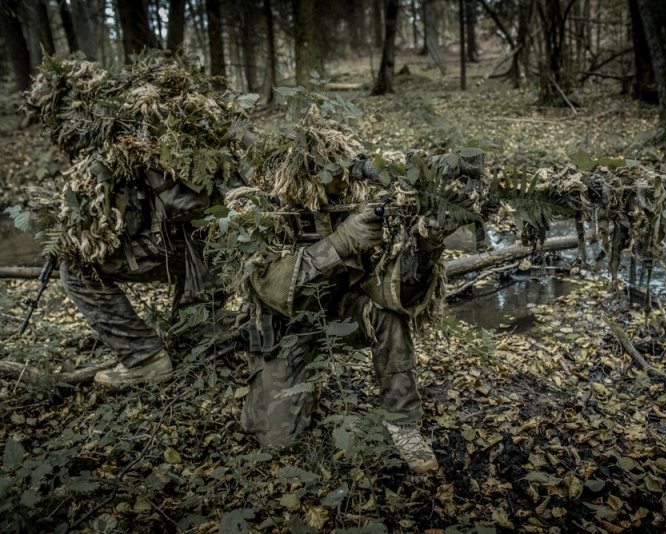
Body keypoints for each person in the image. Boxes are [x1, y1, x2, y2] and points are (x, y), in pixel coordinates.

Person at [237, 154, 467, 474]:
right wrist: (340, 242)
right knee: (277, 439)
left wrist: (425, 246)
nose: (343, 179)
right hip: (287, 328)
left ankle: (402, 422)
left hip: (341, 314)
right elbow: (271, 289)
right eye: (330, 170)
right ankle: (294, 380)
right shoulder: (268, 204)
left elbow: (392, 292)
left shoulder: (363, 200)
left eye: (346, 169)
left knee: (387, 316)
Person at [60, 161, 231, 387]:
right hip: (222, 238)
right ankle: (198, 329)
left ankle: (146, 358)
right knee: (190, 339)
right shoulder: (180, 137)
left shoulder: (120, 145)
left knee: (75, 269)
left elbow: (128, 220)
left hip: (192, 247)